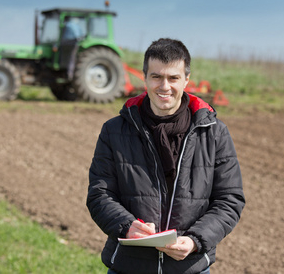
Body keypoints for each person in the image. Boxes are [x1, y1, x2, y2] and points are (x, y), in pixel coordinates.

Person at [86, 38, 245, 274]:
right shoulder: (114, 130)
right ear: (145, 78)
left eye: (173, 78)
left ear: (186, 80)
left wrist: (195, 241)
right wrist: (127, 226)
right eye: (156, 77)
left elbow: (229, 200)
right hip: (129, 266)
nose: (164, 86)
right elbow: (100, 194)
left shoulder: (214, 133)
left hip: (190, 267)